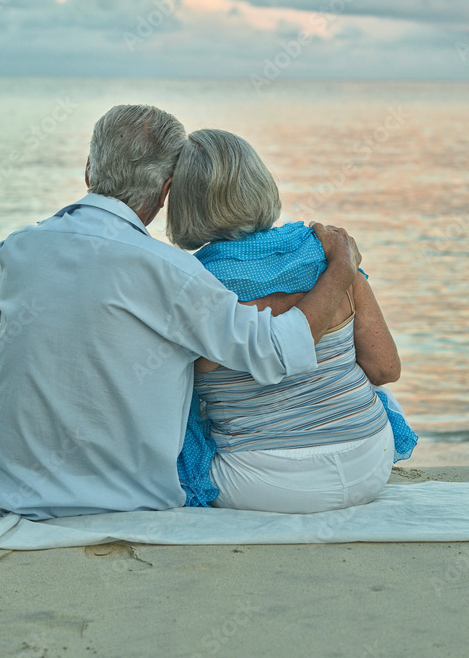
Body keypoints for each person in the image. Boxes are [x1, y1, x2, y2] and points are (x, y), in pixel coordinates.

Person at [0, 104, 360, 520]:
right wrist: (341, 269)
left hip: (1, 486)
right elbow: (276, 350)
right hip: (123, 498)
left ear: (87, 170)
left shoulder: (20, 248)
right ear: (166, 190)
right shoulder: (171, 272)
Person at [167, 128, 417, 514]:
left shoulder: (192, 283)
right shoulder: (331, 255)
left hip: (257, 484)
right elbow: (385, 369)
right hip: (369, 463)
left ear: (183, 205)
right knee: (375, 391)